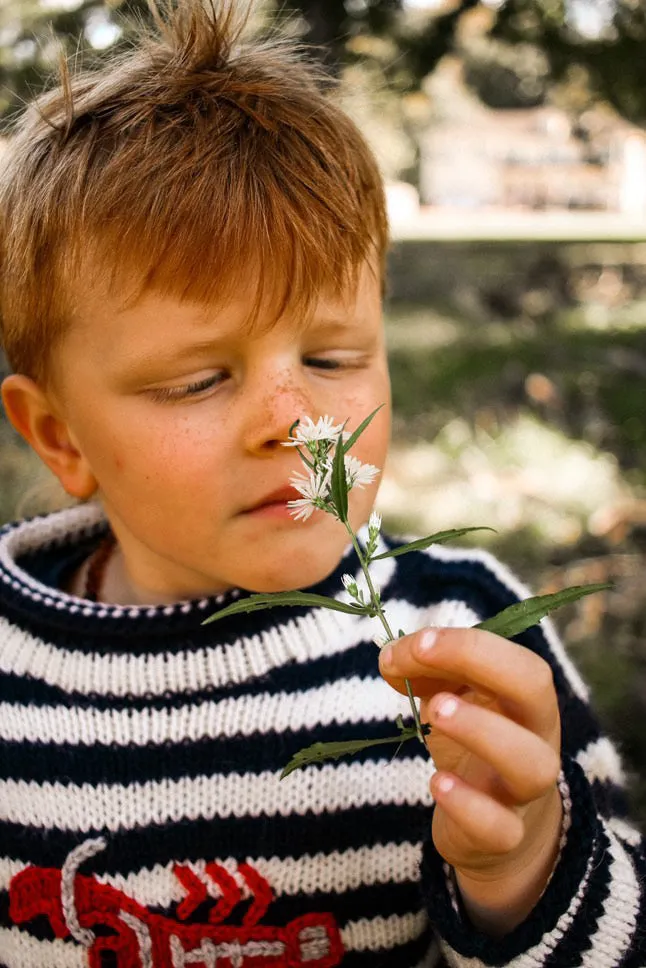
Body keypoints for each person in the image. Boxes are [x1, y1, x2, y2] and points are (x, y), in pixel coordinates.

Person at [0, 2, 643, 966]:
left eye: (336, 358)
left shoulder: (467, 628)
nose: (298, 423)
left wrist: (525, 870)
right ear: (61, 436)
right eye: (198, 380)